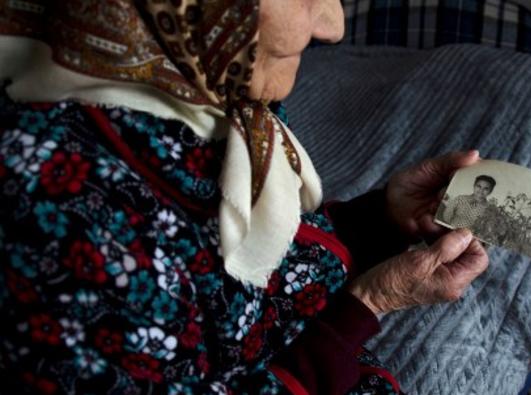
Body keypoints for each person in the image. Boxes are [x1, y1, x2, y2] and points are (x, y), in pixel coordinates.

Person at [0, 1, 489, 394]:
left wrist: (379, 218)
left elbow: (230, 276)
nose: (332, 26)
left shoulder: (194, 83)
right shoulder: (56, 213)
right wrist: (369, 304)